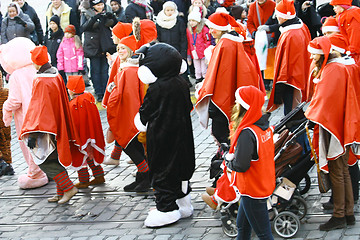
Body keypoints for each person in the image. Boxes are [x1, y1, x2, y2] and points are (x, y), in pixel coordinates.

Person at [195, 12, 260, 187]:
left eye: (213, 28)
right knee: (228, 138)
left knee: (224, 137)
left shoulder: (225, 44)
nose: (211, 31)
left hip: (222, 103)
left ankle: (225, 180)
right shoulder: (231, 41)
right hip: (232, 100)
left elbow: (220, 77)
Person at [135, 43, 195, 227]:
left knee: (163, 174)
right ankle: (184, 205)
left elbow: (145, 113)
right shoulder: (182, 83)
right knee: (181, 174)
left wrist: (141, 120)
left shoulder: (156, 88)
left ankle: (167, 209)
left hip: (162, 139)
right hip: (183, 137)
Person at [204, 86, 275, 239]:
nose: (235, 103)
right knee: (242, 227)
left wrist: (228, 163)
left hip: (252, 189)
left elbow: (241, 165)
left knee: (264, 234)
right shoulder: (264, 128)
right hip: (260, 184)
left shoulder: (247, 133)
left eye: (237, 101)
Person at [305, 36, 359, 231]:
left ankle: (339, 215)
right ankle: (348, 213)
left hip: (333, 127)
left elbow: (325, 100)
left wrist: (310, 114)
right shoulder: (337, 67)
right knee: (343, 170)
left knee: (337, 171)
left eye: (313, 54)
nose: (311, 57)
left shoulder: (333, 70)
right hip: (339, 125)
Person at [20, 45, 85, 204]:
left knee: (46, 160)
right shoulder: (54, 74)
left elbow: (38, 109)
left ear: (36, 62)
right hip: (56, 123)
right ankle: (60, 191)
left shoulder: (42, 80)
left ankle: (68, 188)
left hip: (45, 127)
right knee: (54, 157)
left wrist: (33, 134)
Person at [0, 37, 48, 189]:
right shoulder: (37, 68)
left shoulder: (16, 75)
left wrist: (6, 111)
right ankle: (52, 171)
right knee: (46, 143)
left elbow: (15, 100)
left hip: (27, 117)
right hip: (44, 113)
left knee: (31, 145)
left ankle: (36, 174)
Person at [107, 35, 151, 192]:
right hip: (132, 113)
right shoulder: (129, 68)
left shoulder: (129, 70)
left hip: (129, 114)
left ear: (131, 50)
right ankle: (142, 175)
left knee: (129, 144)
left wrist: (111, 91)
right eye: (118, 48)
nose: (120, 51)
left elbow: (125, 95)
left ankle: (146, 173)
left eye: (123, 48)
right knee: (133, 146)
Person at [266, 0, 311, 115]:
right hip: (298, 77)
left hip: (291, 81)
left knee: (292, 115)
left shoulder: (290, 34)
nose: (277, 19)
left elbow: (286, 66)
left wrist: (279, 89)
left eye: (278, 16)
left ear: (284, 17)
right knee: (294, 112)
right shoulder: (300, 27)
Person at [66, 75, 106, 188]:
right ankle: (99, 175)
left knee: (80, 156)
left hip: (80, 136)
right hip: (90, 135)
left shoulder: (74, 104)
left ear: (73, 89)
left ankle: (84, 180)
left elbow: (74, 123)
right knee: (90, 155)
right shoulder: (88, 98)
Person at [102, 21, 133, 165]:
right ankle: (117, 155)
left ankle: (122, 156)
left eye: (114, 35)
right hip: (124, 95)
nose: (112, 37)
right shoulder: (122, 53)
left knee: (122, 126)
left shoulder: (124, 55)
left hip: (123, 96)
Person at [81, 0, 117, 102]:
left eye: (101, 4)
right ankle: (99, 92)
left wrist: (112, 17)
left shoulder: (107, 10)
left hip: (105, 44)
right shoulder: (85, 13)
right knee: (95, 70)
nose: (100, 7)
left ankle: (106, 91)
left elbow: (114, 25)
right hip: (93, 45)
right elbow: (84, 27)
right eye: (98, 5)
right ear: (93, 6)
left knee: (105, 70)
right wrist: (94, 18)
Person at [186, 8, 211, 84]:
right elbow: (189, 43)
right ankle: (198, 79)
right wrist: (189, 55)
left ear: (198, 21)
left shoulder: (204, 29)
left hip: (203, 52)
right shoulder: (189, 30)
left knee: (204, 69)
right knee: (197, 69)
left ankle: (205, 80)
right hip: (194, 52)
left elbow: (208, 41)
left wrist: (207, 54)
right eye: (190, 21)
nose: (191, 23)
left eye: (193, 21)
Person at [0, 71, 14, 176]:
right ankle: (8, 164)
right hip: (5, 121)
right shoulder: (6, 92)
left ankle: (3, 164)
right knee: (6, 140)